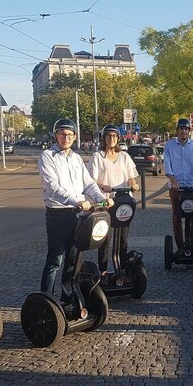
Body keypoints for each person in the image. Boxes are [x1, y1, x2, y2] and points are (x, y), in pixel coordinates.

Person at [39, 118, 112, 304]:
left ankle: (67, 295)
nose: (66, 137)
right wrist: (76, 201)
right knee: (55, 259)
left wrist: (102, 199)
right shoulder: (47, 156)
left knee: (73, 259)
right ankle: (46, 299)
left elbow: (88, 184)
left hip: (77, 215)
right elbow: (52, 186)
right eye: (62, 134)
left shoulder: (76, 158)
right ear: (56, 135)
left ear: (75, 137)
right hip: (58, 214)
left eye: (70, 134)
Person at [88, 124, 140, 274]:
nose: (111, 139)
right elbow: (91, 180)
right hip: (106, 201)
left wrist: (134, 185)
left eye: (114, 136)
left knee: (123, 239)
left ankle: (122, 269)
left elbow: (131, 177)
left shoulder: (124, 156)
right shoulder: (98, 157)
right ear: (104, 138)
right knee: (105, 239)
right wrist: (103, 186)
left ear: (118, 138)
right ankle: (103, 271)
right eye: (108, 136)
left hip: (123, 201)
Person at [163, 118, 193, 254]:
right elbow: (167, 163)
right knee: (176, 216)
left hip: (192, 187)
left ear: (189, 131)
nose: (183, 131)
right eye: (181, 129)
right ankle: (180, 246)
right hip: (177, 188)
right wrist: (172, 179)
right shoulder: (169, 146)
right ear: (177, 131)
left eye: (185, 129)